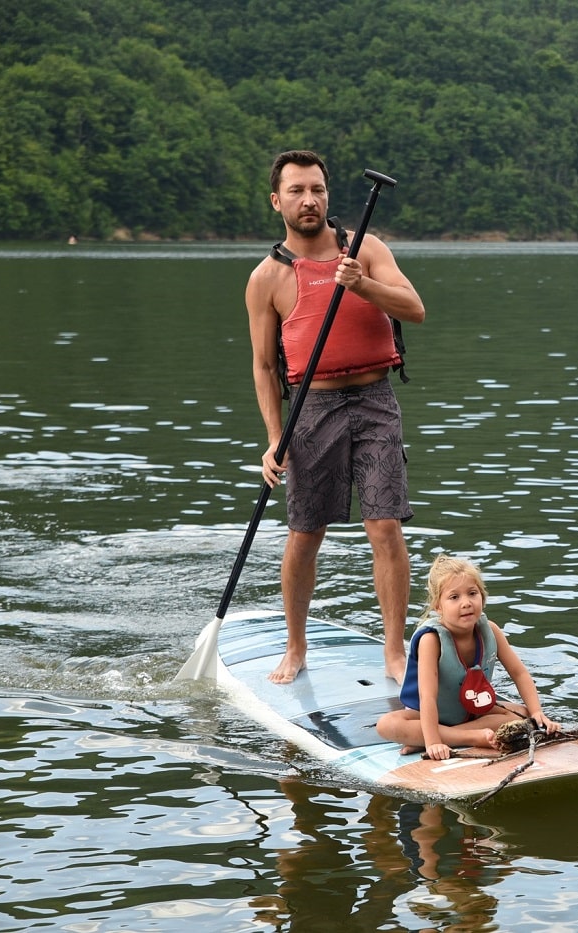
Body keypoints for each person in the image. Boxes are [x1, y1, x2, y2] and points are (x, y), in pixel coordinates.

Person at [246, 149, 426, 685]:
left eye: (318, 190)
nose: (310, 200)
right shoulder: (266, 279)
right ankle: (295, 647)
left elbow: (414, 309)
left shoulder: (365, 249)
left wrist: (362, 284)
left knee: (385, 525)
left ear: (329, 195)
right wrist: (274, 437)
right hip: (311, 408)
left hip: (374, 402)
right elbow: (262, 366)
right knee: (305, 532)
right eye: (298, 191)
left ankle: (394, 652)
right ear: (278, 201)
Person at [377, 554, 561, 759]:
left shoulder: (490, 630)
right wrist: (432, 742)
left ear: (482, 596)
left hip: (472, 713)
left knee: (522, 713)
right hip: (428, 716)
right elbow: (427, 696)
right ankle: (470, 737)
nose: (466, 603)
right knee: (387, 724)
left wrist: (537, 713)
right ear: (438, 606)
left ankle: (443, 736)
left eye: (472, 593)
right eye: (454, 597)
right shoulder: (431, 640)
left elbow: (519, 673)